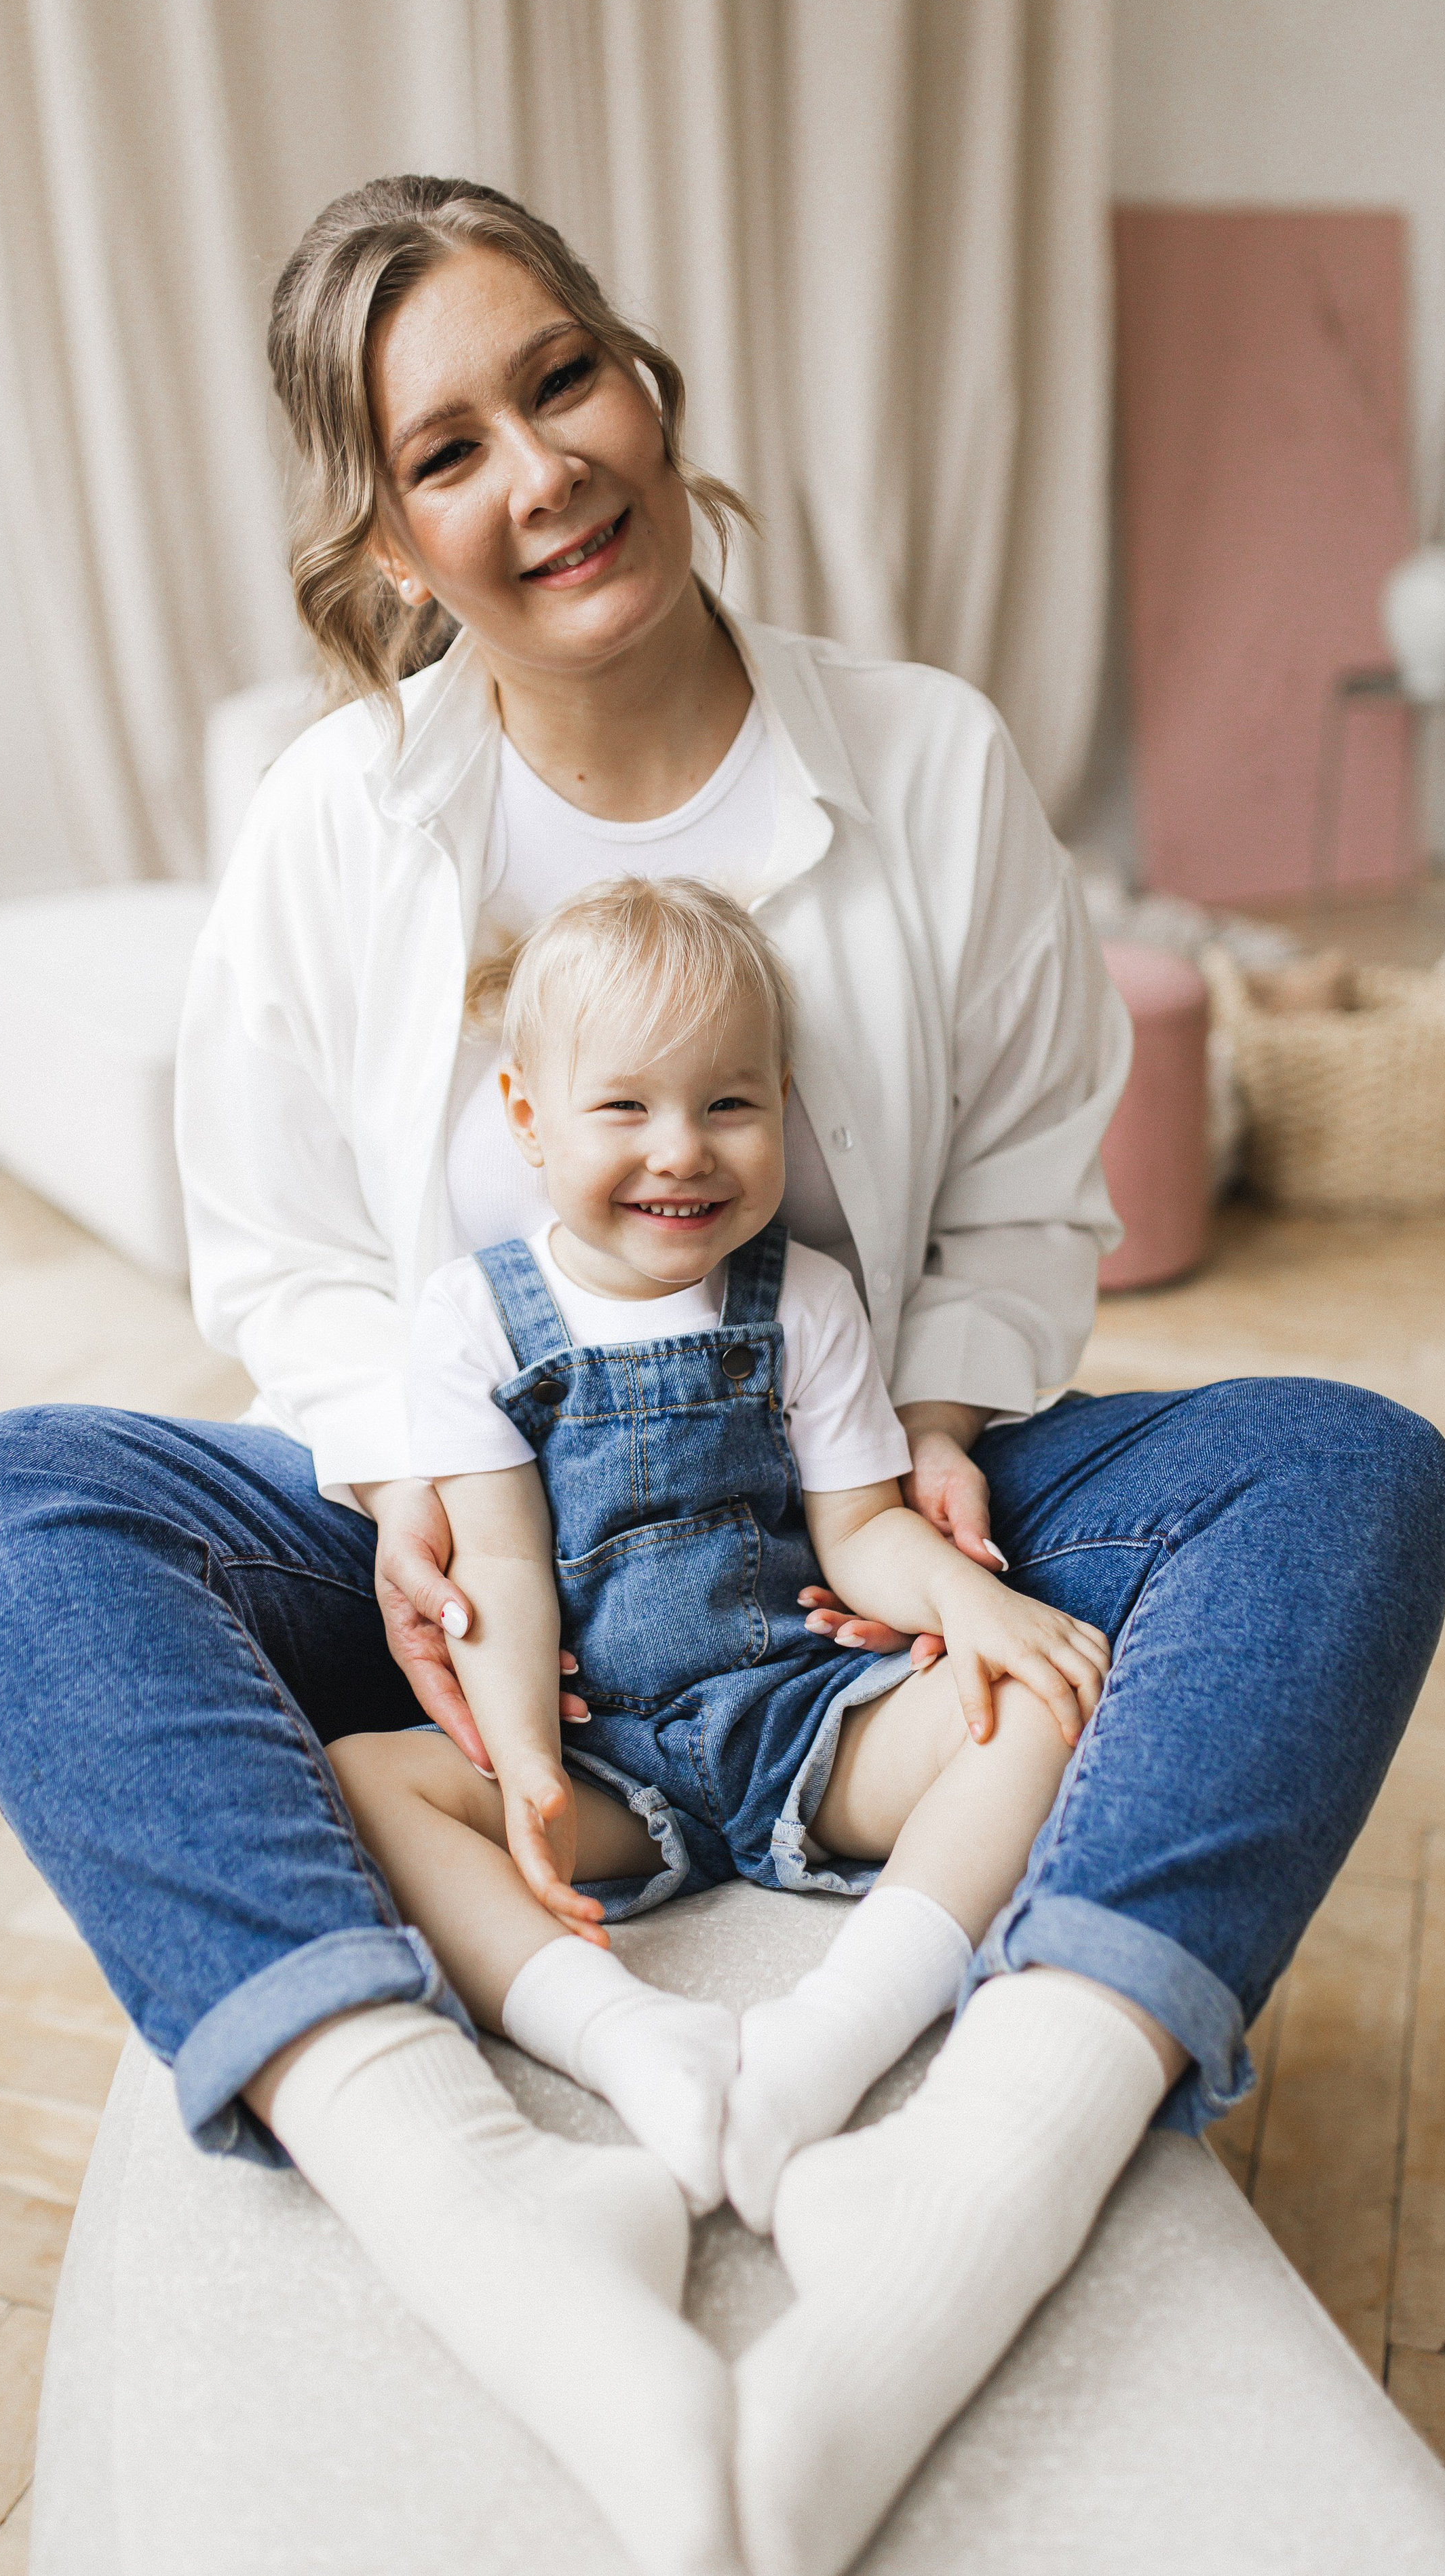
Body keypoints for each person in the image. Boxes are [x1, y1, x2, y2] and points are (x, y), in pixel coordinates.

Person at [0, 172, 1445, 2576]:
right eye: (446, 451)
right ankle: (473, 2190)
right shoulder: (338, 820)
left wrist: (932, 1426)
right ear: (394, 537)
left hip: (854, 1514)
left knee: (1350, 1463)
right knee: (4, 1498)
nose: (537, 472)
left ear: (648, 384)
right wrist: (412, 1477)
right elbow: (287, 1251)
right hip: (470, 1539)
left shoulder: (921, 759)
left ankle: (979, 2170)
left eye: (561, 379)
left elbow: (1043, 1180)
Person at [339, 873, 1111, 2248]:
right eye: (624, 1106)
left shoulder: (802, 1298)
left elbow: (861, 1530)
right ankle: (618, 2031)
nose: (681, 1150)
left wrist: (971, 1603)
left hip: (799, 1722)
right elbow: (502, 1572)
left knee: (1036, 1702)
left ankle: (841, 2024)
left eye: (729, 1104)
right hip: (608, 1767)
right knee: (366, 1782)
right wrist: (519, 1756)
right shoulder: (475, 1319)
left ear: (782, 1105)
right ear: (526, 1117)